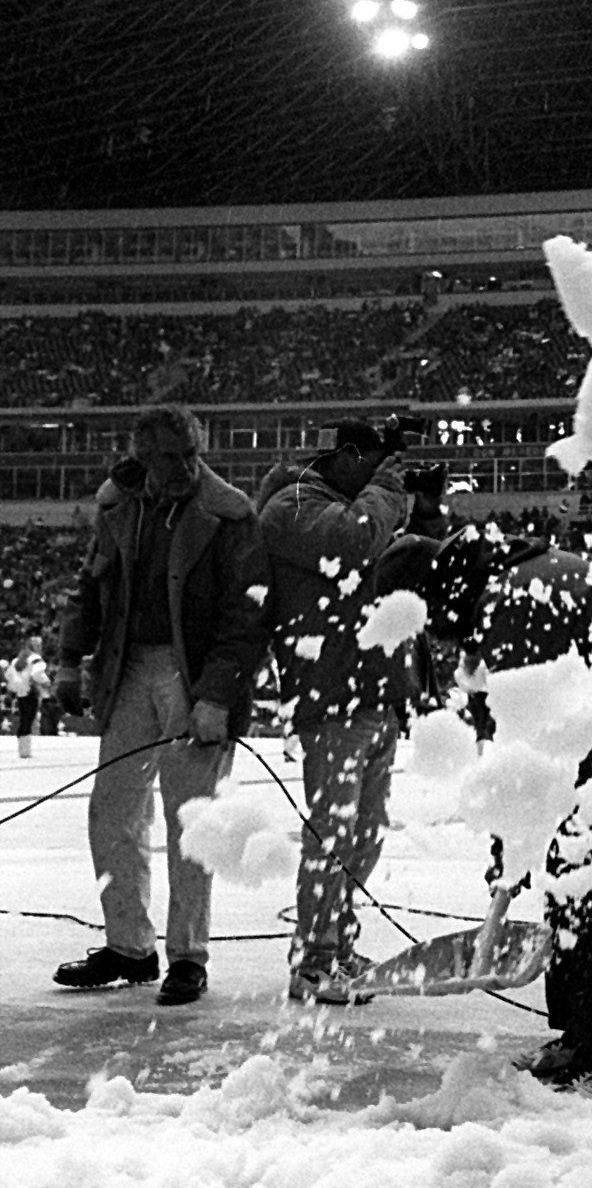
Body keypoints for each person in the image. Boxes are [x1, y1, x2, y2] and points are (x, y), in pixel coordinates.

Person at [393, 523, 592, 1097]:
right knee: (573, 886)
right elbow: (515, 738)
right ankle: (579, 1035)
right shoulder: (508, 582)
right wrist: (509, 845)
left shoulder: (513, 599)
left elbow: (527, 743)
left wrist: (511, 851)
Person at [53, 405, 266, 1006]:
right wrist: (71, 659)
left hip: (192, 676)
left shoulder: (230, 515)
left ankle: (187, 956)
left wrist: (217, 696)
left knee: (190, 821)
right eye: (171, 456)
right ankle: (129, 946)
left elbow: (248, 616)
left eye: (193, 451)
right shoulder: (119, 507)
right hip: (129, 668)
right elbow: (90, 586)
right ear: (144, 457)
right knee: (112, 810)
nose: (186, 465)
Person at [255, 418, 448, 1005]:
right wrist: (389, 490)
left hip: (377, 689)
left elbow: (417, 571)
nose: (385, 478)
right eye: (377, 464)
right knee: (332, 834)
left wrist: (426, 515)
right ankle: (311, 962)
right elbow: (355, 542)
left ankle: (336, 945)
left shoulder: (358, 504)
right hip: (333, 692)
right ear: (348, 456)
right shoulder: (292, 506)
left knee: (363, 835)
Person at [5, 635, 51, 758]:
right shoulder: (36, 659)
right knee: (29, 719)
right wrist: (45, 681)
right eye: (39, 645)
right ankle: (26, 751)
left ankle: (22, 749)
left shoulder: (17, 660)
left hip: (20, 692)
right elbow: (37, 674)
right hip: (31, 691)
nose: (41, 647)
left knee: (23, 719)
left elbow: (9, 675)